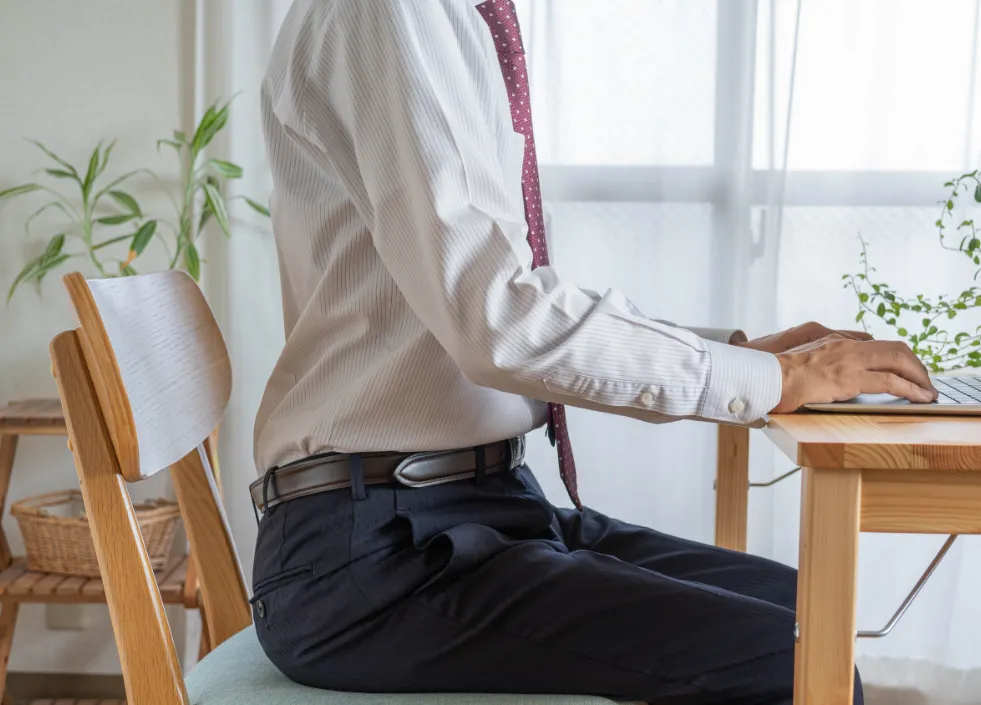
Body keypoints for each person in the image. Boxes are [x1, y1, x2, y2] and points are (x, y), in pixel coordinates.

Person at [249, 1, 936, 702]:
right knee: (789, 663)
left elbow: (503, 294)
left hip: (477, 506)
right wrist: (774, 378)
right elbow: (497, 319)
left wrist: (737, 354)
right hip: (376, 555)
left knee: (811, 613)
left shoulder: (451, 19)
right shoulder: (390, 14)